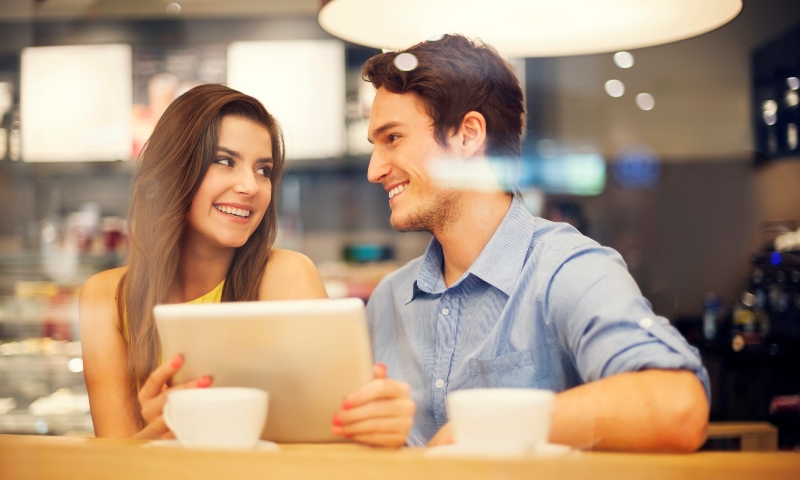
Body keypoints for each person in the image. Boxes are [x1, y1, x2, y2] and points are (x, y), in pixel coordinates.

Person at [356, 35, 710, 451]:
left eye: (392, 138)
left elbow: (678, 407)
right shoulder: (388, 300)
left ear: (469, 135)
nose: (374, 170)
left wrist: (491, 427)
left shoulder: (569, 270)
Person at [80, 84, 413, 447]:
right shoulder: (106, 298)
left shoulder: (286, 277)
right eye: (224, 161)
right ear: (174, 168)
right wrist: (159, 434)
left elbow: (330, 445)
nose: (250, 186)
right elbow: (112, 463)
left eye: (263, 169)